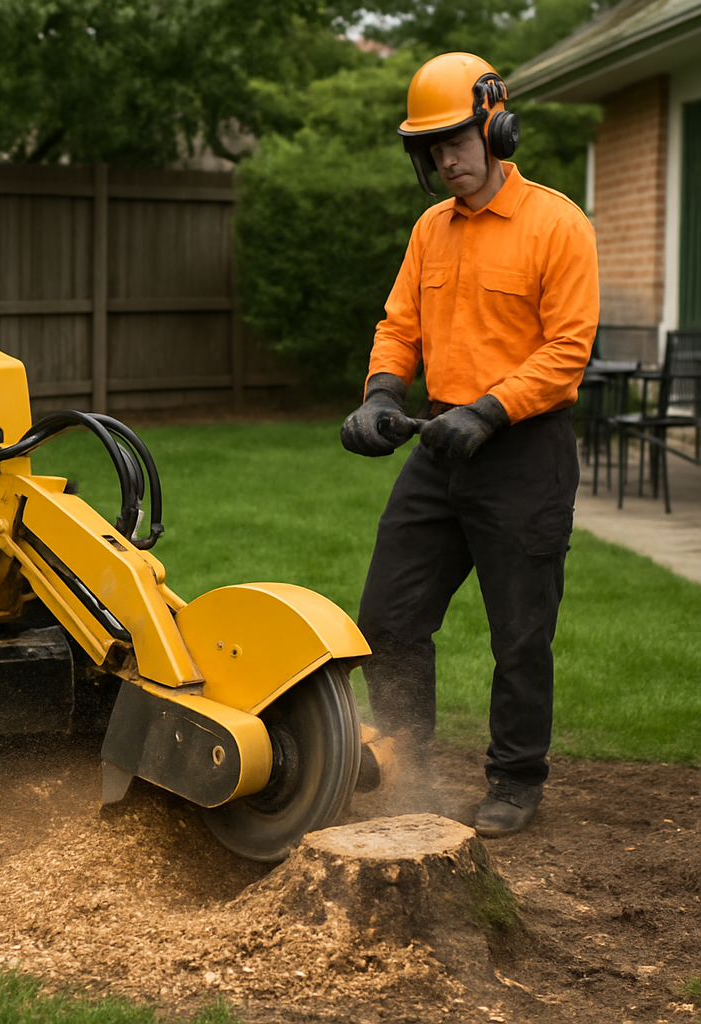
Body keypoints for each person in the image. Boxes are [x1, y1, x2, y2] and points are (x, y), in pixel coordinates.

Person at [340, 52, 599, 838]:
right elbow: (399, 325)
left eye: (455, 140)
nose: (442, 159)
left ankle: (516, 779)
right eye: (428, 147)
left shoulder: (556, 224)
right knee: (388, 614)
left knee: (520, 632)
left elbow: (567, 350)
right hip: (439, 445)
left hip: (524, 451)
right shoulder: (430, 231)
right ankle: (403, 750)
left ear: (496, 128)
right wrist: (384, 392)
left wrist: (489, 411)